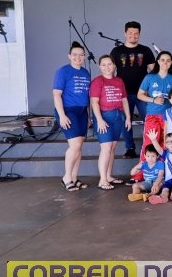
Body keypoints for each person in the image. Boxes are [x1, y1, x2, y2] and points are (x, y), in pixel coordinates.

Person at [110, 21, 155, 159]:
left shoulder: (146, 50)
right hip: (123, 94)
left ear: (139, 34)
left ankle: (151, 147)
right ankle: (129, 148)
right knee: (125, 121)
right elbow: (110, 72)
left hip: (142, 93)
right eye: (130, 33)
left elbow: (153, 71)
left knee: (149, 120)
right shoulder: (116, 51)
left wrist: (150, 89)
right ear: (125, 34)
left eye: (136, 33)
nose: (133, 35)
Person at [134, 51, 172, 182]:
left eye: (168, 60)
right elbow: (140, 95)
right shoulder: (150, 77)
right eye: (163, 60)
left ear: (171, 63)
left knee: (165, 144)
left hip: (168, 117)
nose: (165, 62)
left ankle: (163, 174)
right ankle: (141, 175)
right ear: (158, 62)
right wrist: (153, 100)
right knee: (149, 143)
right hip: (152, 115)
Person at [53, 41, 91, 192]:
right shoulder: (63, 71)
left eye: (81, 55)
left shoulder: (85, 72)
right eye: (74, 55)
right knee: (74, 146)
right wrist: (62, 115)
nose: (78, 57)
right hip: (68, 111)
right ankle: (67, 177)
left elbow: (86, 97)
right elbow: (57, 94)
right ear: (69, 56)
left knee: (79, 147)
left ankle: (74, 178)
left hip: (82, 112)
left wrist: (88, 116)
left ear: (84, 56)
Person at [90, 54, 131, 190]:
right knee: (106, 148)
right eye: (103, 65)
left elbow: (124, 100)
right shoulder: (97, 81)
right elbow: (94, 102)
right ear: (99, 67)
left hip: (118, 117)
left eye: (109, 64)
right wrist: (99, 120)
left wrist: (128, 117)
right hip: (104, 118)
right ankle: (102, 180)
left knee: (112, 148)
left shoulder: (119, 81)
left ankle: (108, 176)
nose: (107, 67)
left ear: (114, 66)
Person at [145, 129, 172, 204]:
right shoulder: (165, 154)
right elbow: (158, 148)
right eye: (168, 142)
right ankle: (163, 197)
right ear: (165, 145)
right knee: (165, 189)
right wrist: (153, 140)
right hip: (169, 179)